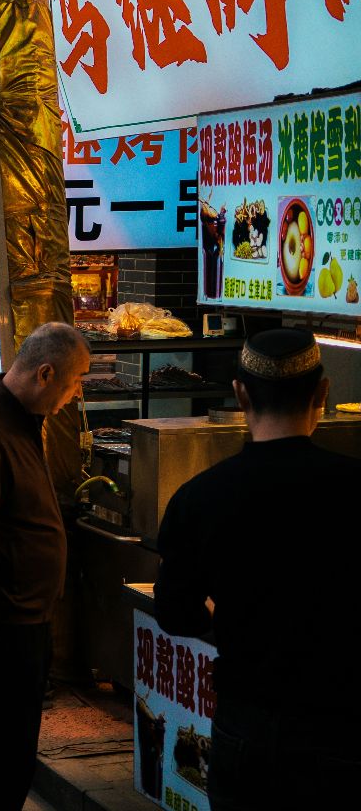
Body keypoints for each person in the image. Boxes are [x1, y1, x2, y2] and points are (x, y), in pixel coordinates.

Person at [155, 329, 361, 810]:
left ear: (240, 392)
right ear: (323, 393)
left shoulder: (200, 497)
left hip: (247, 724)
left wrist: (223, 621)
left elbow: (175, 611)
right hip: (344, 729)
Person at [0, 322, 91, 811]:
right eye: (74, 384)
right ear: (45, 373)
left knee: (16, 756)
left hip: (25, 622)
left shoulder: (22, 421)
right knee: (5, 760)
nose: (74, 396)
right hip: (3, 631)